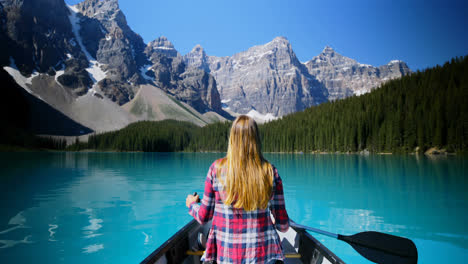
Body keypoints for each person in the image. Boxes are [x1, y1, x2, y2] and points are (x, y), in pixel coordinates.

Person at [186, 115, 290, 264]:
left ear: (232, 139)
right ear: (256, 140)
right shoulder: (270, 172)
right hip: (263, 258)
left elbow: (204, 217)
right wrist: (274, 220)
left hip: (227, 257)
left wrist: (192, 204)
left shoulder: (216, 169)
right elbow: (283, 226)